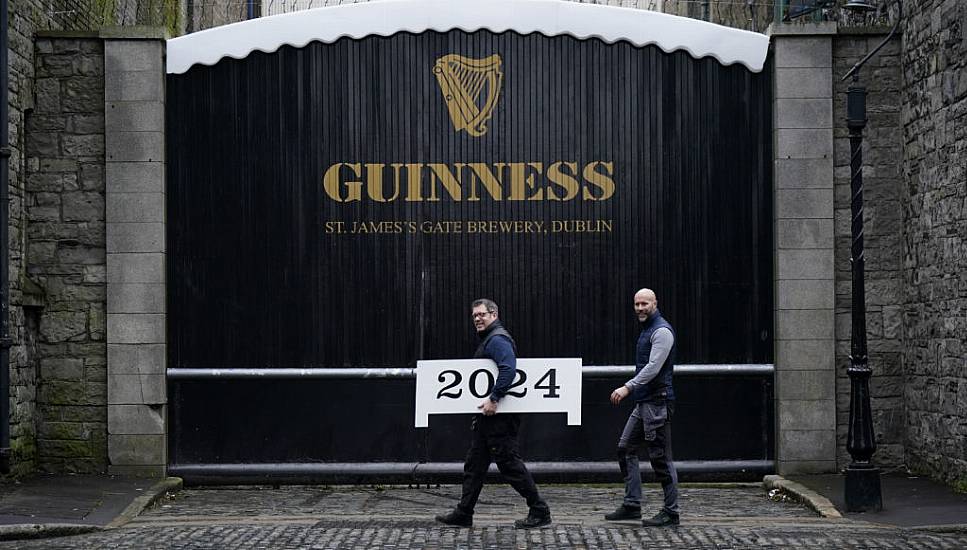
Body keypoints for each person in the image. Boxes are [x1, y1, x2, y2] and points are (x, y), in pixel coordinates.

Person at [435, 298, 552, 529]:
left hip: (498, 417)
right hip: (488, 417)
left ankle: (540, 510)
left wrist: (494, 398)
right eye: (474, 316)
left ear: (494, 315)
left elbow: (509, 368)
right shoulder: (490, 339)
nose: (477, 319)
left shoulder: (497, 340)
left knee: (509, 464)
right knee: (475, 465)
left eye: (482, 315)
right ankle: (464, 512)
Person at [605, 288, 680, 527]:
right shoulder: (649, 329)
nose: (640, 308)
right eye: (637, 304)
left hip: (657, 402)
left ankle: (671, 512)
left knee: (660, 458)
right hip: (644, 401)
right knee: (625, 448)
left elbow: (653, 368)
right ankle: (632, 505)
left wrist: (627, 387)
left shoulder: (661, 331)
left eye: (644, 304)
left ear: (655, 303)